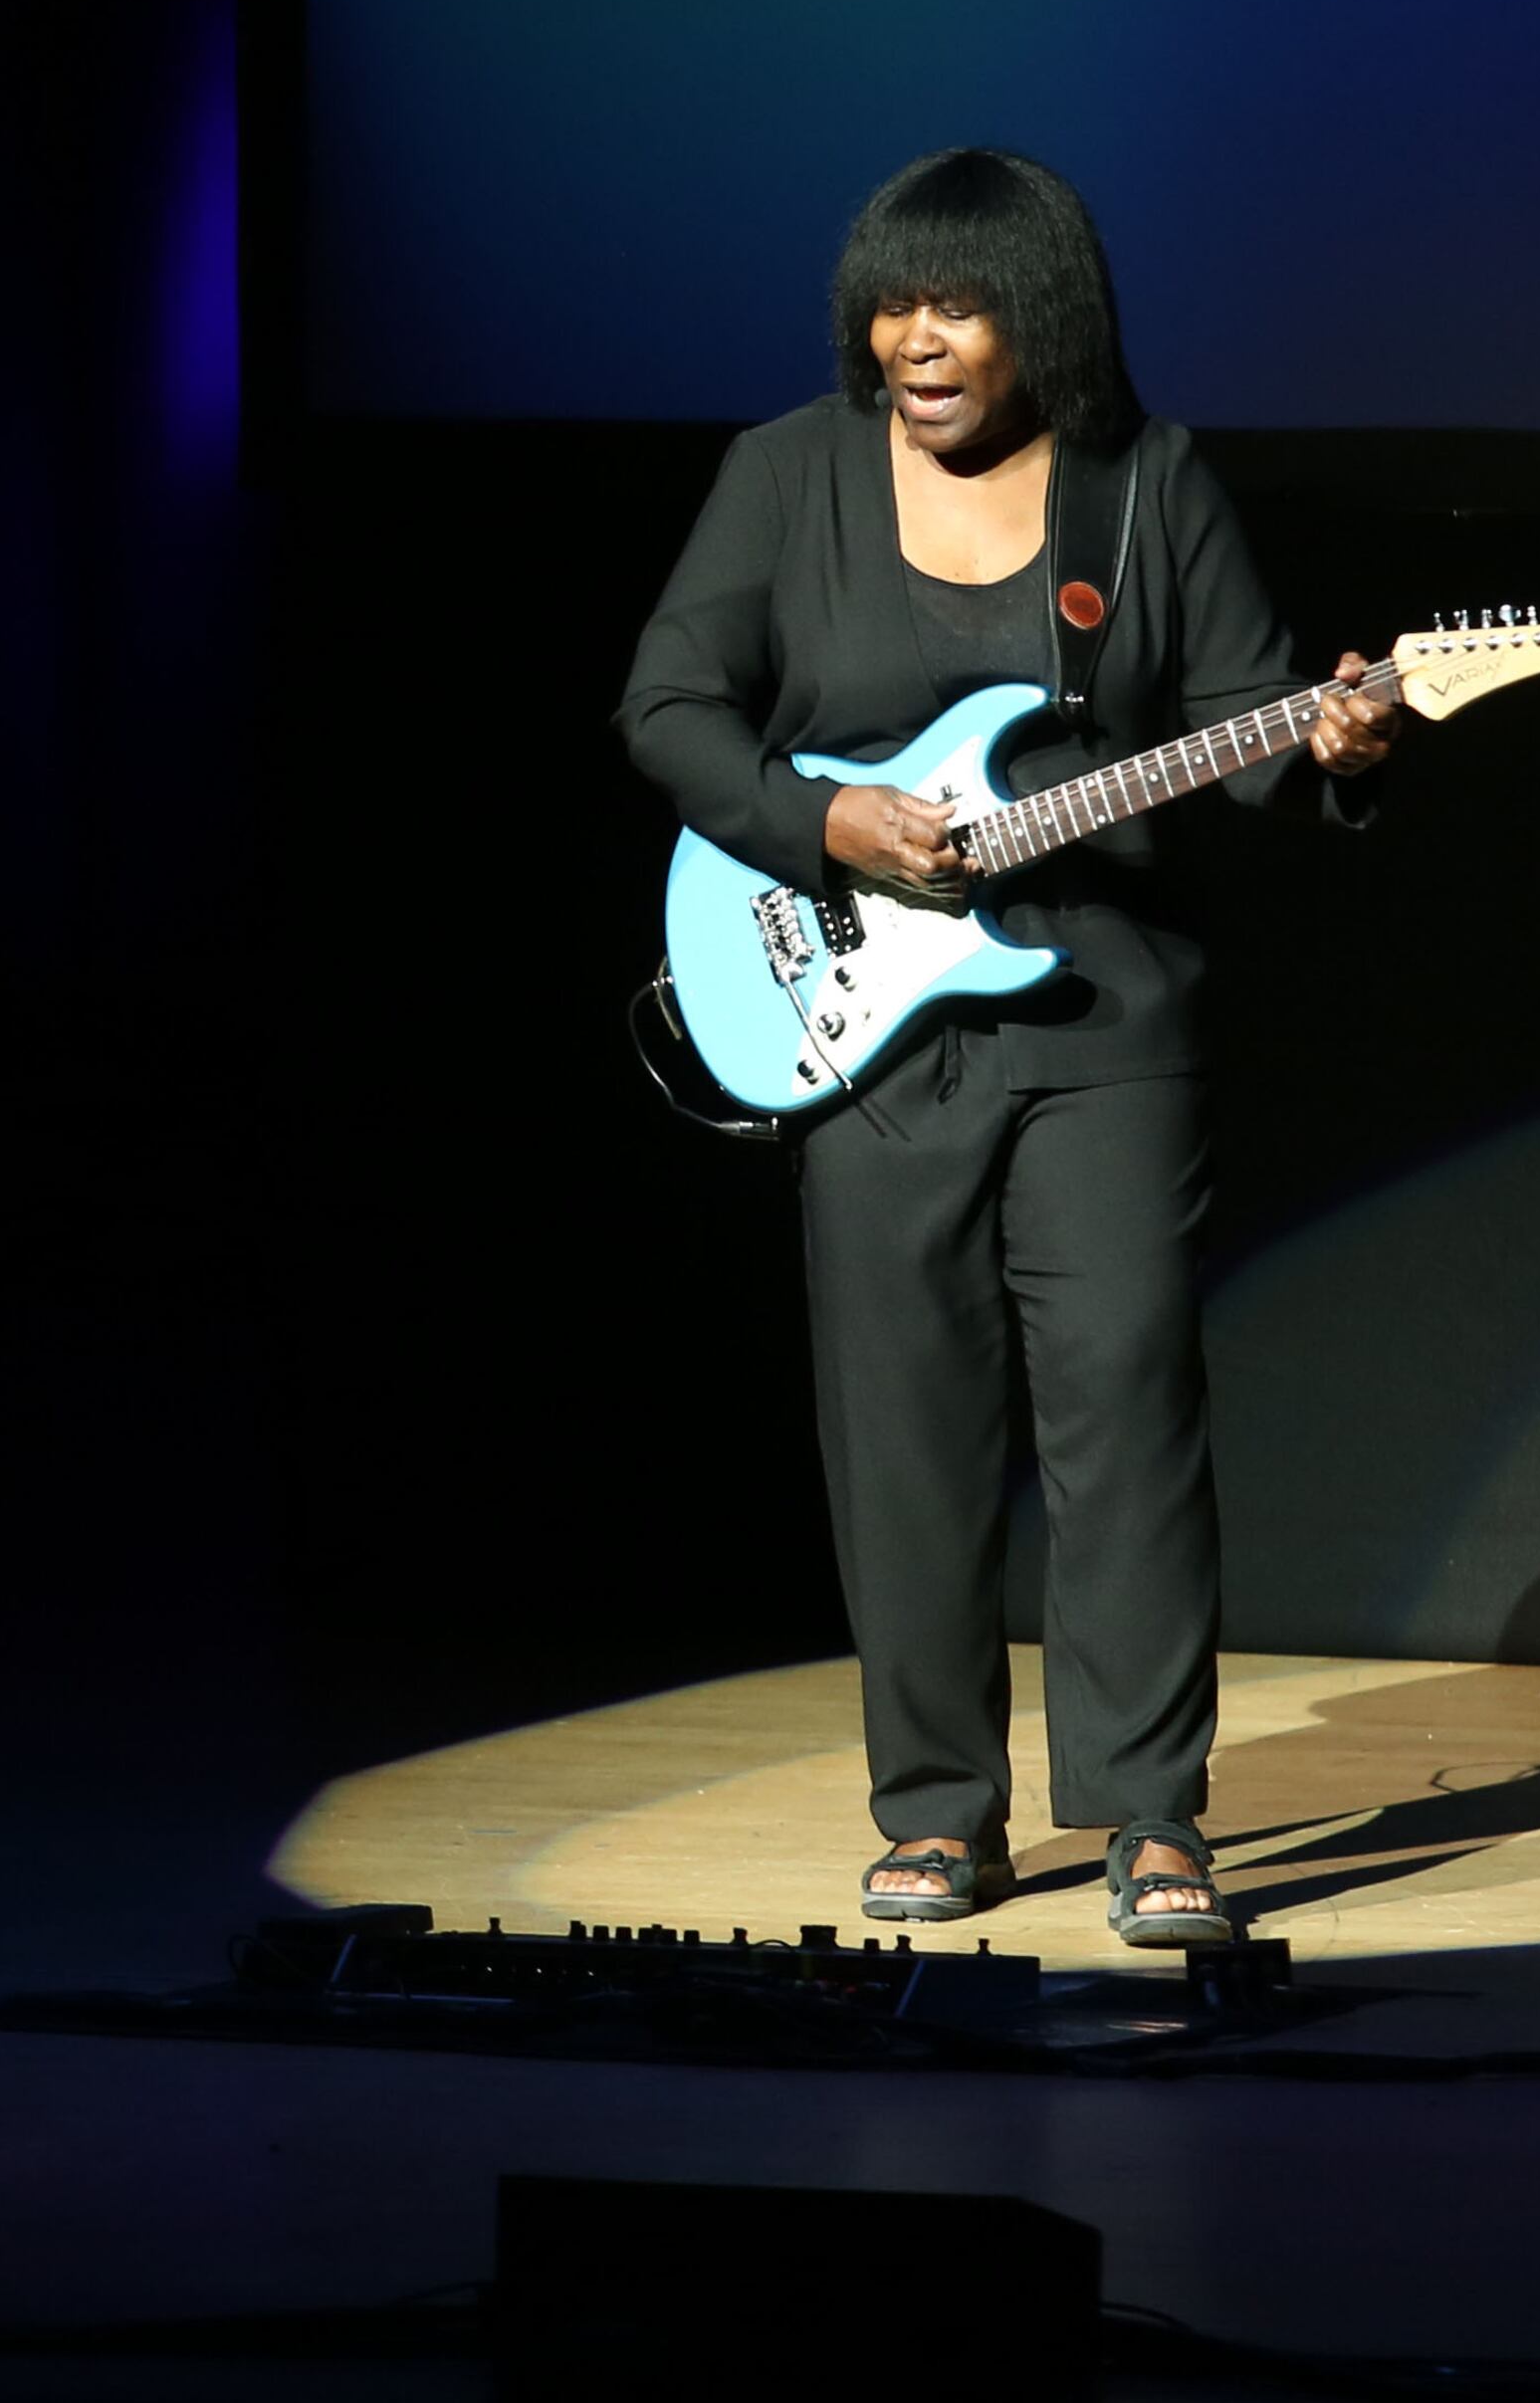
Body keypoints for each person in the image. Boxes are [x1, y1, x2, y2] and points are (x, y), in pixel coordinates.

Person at [614, 148, 1394, 1943]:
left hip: (1106, 1022)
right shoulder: (785, 478)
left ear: (1043, 317)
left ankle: (1150, 1816)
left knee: (1125, 1403)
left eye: (955, 304)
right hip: (862, 1025)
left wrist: (1337, 743)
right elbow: (664, 706)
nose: (915, 338)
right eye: (891, 304)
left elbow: (1246, 725)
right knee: (906, 1424)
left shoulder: (1149, 486)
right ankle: (937, 1810)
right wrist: (829, 830)